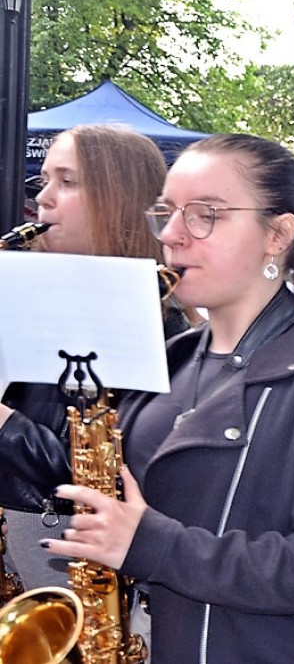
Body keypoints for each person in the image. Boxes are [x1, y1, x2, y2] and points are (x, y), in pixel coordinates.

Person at [11, 133, 294, 663]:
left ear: (278, 234)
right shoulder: (171, 359)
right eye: (167, 212)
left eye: (205, 214)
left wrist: (149, 545)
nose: (174, 235)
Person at [0, 124, 191, 592]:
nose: (42, 198)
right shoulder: (39, 297)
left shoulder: (160, 327)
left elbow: (106, 470)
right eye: (44, 180)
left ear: (118, 198)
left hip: (67, 545)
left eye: (67, 182)